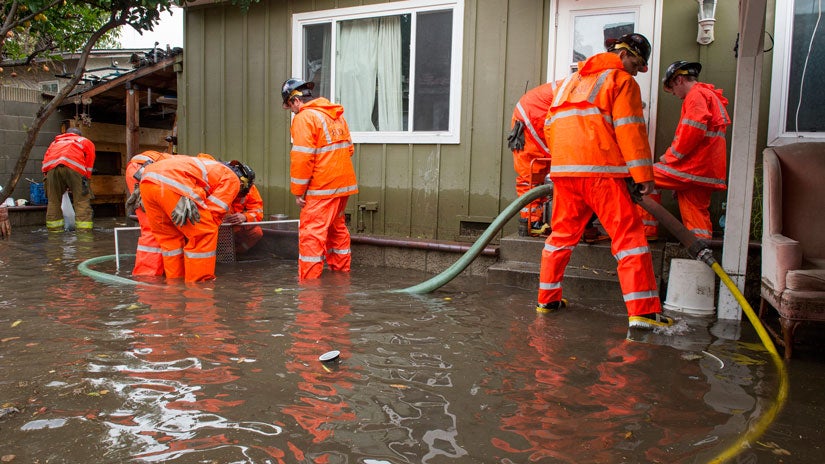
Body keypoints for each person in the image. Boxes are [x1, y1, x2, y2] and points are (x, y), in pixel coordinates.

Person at [537, 33, 673, 330]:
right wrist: (643, 176)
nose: (635, 72)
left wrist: (564, 162)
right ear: (624, 55)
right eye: (636, 65)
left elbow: (549, 126)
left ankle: (547, 301)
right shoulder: (621, 81)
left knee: (560, 238)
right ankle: (644, 313)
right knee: (630, 241)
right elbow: (630, 130)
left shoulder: (568, 83)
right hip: (603, 175)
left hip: (565, 175)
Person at [638, 60, 730, 241]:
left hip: (693, 168)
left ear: (679, 80)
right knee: (696, 211)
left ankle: (646, 231)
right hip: (706, 171)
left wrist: (669, 157)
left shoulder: (695, 96)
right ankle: (701, 249)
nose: (673, 93)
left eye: (672, 87)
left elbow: (692, 132)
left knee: (644, 177)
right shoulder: (708, 95)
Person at [281, 78, 359, 280]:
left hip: (322, 188)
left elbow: (302, 158)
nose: (292, 112)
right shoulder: (335, 115)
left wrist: (298, 191)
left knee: (312, 234)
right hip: (343, 185)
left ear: (296, 101)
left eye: (290, 107)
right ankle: (341, 279)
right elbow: (349, 149)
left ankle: (310, 288)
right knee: (336, 230)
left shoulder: (304, 117)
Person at [508, 83, 604, 241]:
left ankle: (567, 221)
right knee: (532, 173)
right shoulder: (590, 89)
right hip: (533, 114)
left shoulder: (590, 88)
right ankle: (532, 221)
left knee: (557, 170)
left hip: (539, 112)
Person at [133, 153, 242, 282]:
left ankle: (175, 283)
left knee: (169, 239)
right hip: (173, 181)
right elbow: (214, 212)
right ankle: (198, 286)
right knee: (204, 233)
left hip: (147, 182)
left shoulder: (209, 167)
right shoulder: (232, 179)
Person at [125, 149, 172, 276]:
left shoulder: (193, 165)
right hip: (143, 171)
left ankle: (156, 271)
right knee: (152, 227)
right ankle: (147, 276)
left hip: (142, 169)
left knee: (158, 225)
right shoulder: (199, 172)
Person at [41, 127, 96, 230]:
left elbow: (45, 159)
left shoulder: (55, 143)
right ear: (79, 135)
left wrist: (47, 177)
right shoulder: (84, 141)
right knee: (81, 201)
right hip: (74, 167)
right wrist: (86, 179)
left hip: (51, 170)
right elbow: (89, 160)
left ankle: (54, 232)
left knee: (53, 202)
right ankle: (84, 232)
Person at [223, 160, 264, 253]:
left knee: (257, 232)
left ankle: (236, 253)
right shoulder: (219, 185)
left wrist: (245, 217)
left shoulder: (250, 188)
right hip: (218, 228)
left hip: (238, 227)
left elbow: (258, 211)